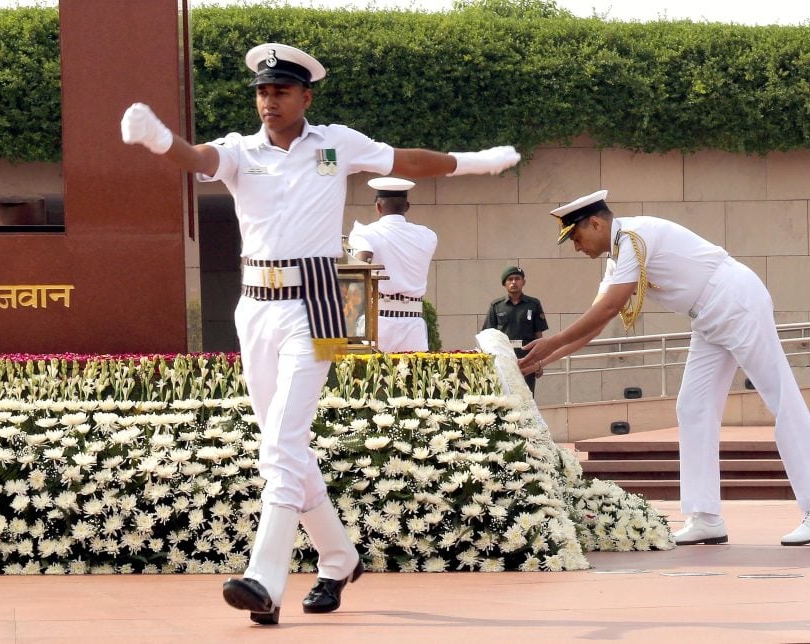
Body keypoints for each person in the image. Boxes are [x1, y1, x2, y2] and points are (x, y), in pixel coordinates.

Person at [120, 43, 519, 625]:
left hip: (318, 305)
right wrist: (161, 141)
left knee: (283, 440)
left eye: (281, 91)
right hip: (255, 307)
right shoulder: (239, 151)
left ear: (306, 96)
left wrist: (476, 161)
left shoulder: (335, 143)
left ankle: (264, 577)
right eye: (262, 91)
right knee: (282, 444)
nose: (269, 101)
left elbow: (406, 160)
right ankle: (337, 556)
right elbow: (196, 157)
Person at [517, 190, 810, 547]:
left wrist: (551, 342)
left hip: (735, 299)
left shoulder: (633, 238)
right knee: (693, 406)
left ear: (596, 223)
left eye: (577, 238)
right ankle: (705, 516)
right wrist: (542, 359)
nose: (577, 248)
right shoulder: (616, 257)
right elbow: (596, 324)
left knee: (780, 396)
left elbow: (611, 307)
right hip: (707, 315)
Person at [347, 177, 437, 353]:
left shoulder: (365, 232)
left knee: (374, 379)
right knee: (414, 379)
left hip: (380, 321)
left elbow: (361, 263)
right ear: (407, 206)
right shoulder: (428, 235)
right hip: (413, 321)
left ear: (378, 207)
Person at [482, 266, 548, 395]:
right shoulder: (496, 306)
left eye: (517, 279)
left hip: (527, 357)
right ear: (504, 284)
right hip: (503, 357)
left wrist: (539, 362)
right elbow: (488, 335)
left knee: (527, 395)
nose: (514, 282)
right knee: (504, 394)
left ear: (523, 282)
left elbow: (539, 335)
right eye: (510, 279)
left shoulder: (533, 304)